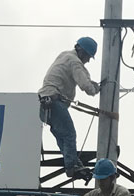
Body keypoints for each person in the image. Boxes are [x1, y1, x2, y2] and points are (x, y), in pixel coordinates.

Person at [39, 37, 101, 181]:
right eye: (87, 56)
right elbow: (85, 85)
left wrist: (89, 81)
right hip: (54, 102)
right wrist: (96, 88)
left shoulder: (65, 55)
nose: (87, 60)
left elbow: (79, 74)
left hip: (46, 104)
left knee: (63, 137)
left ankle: (74, 164)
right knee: (69, 134)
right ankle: (72, 166)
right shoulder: (74, 61)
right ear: (81, 50)